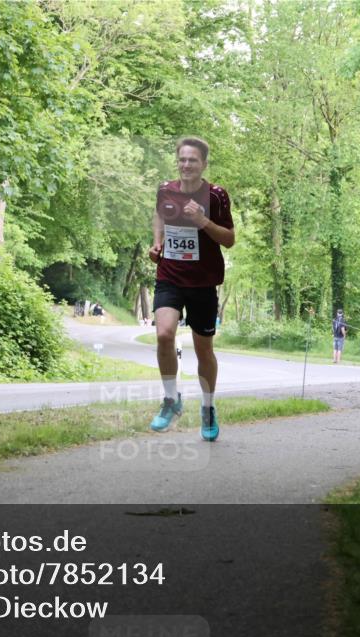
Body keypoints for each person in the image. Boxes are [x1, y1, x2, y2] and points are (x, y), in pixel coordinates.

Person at [147, 137, 235, 441]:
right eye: (182, 159)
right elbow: (160, 214)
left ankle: (208, 407)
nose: (186, 165)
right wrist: (157, 242)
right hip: (170, 275)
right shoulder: (165, 190)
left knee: (203, 350)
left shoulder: (217, 196)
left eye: (193, 160)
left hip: (203, 283)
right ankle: (172, 400)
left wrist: (203, 221)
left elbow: (229, 239)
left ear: (204, 164)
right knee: (164, 335)